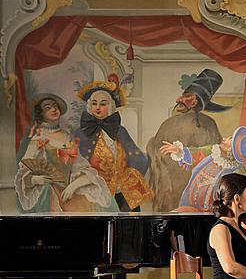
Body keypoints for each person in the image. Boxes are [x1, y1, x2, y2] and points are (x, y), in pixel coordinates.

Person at [15, 93, 116, 213]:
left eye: (55, 106)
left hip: (69, 188)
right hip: (49, 190)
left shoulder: (67, 136)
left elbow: (80, 165)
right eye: (48, 107)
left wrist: (75, 184)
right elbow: (23, 172)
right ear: (41, 114)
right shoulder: (38, 139)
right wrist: (36, 180)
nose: (54, 109)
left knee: (97, 202)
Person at [146, 68, 227, 212]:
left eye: (188, 97)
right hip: (171, 188)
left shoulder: (207, 124)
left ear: (196, 102)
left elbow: (216, 156)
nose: (179, 100)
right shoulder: (169, 124)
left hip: (194, 190)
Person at [74, 76, 152, 211]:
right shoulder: (81, 134)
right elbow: (76, 164)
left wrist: (127, 178)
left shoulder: (119, 131)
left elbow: (138, 158)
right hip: (95, 192)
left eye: (103, 104)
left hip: (122, 191)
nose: (98, 108)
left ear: (110, 106)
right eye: (94, 103)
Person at [159, 126, 246, 212]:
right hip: (189, 200)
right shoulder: (214, 151)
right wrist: (179, 151)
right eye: (228, 137)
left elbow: (245, 192)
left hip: (209, 211)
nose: (224, 139)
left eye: (229, 141)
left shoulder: (236, 171)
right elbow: (196, 152)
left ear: (232, 152)